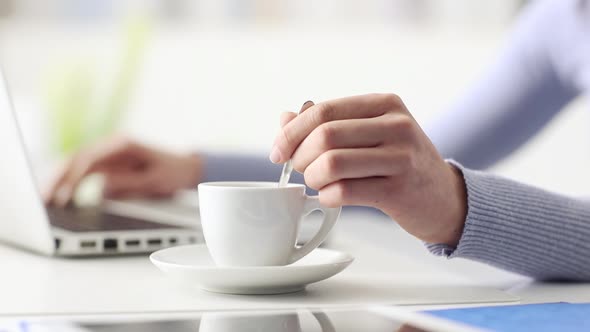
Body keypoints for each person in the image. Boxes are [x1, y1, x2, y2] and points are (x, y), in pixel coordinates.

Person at [44, 0, 590, 280]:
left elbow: (439, 188)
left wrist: (457, 205)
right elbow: (412, 169)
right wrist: (192, 169)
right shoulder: (562, 20)